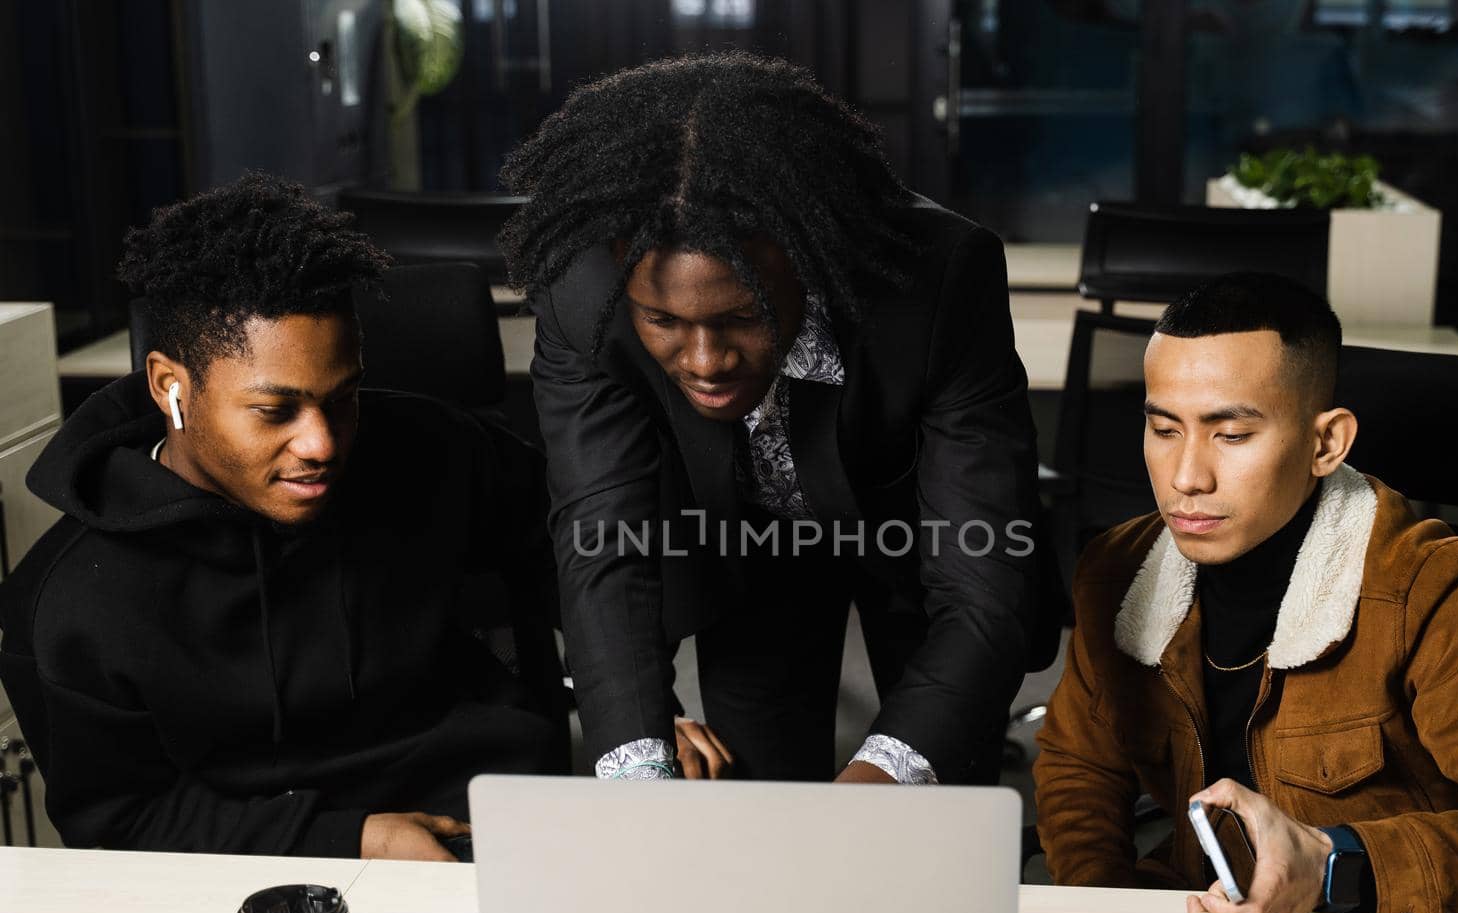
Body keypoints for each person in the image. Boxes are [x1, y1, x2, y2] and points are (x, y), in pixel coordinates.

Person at [500, 53, 1058, 785]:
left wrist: (884, 777)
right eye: (664, 320)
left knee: (937, 792)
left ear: (806, 260)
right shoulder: (583, 293)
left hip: (917, 538)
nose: (704, 361)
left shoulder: (939, 278)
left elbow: (982, 585)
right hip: (739, 542)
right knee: (761, 790)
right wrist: (637, 772)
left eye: (741, 317)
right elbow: (602, 541)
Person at [0, 173, 566, 860]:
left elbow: (576, 534)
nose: (322, 443)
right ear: (169, 386)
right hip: (254, 875)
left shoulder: (429, 448)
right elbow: (121, 821)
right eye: (275, 411)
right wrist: (354, 838)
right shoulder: (74, 600)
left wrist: (626, 708)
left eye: (342, 397)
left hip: (485, 823)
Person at [1032, 272, 1458, 913]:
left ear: (1326, 442)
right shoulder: (1118, 571)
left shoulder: (1429, 587)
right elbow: (1079, 766)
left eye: (1232, 435)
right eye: (1163, 428)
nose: (1186, 476)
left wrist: (1338, 863)